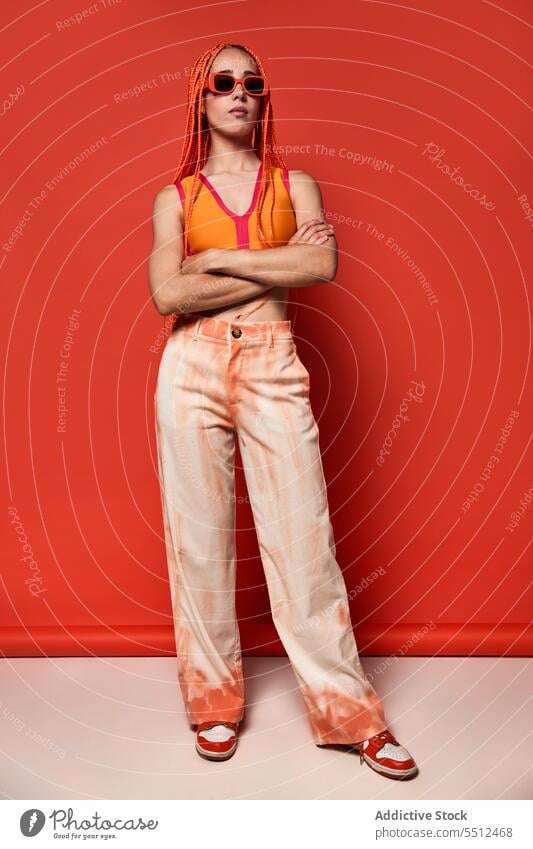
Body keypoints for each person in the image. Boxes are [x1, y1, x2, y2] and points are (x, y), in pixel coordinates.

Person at [148, 41, 418, 780]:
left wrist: (210, 260)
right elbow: (168, 298)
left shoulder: (295, 185)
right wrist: (268, 263)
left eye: (252, 82)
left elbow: (320, 265)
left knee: (304, 545)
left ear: (263, 98)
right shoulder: (173, 197)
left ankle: (349, 715)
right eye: (223, 82)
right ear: (200, 100)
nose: (239, 91)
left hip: (273, 362)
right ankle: (212, 701)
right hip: (191, 365)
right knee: (199, 543)